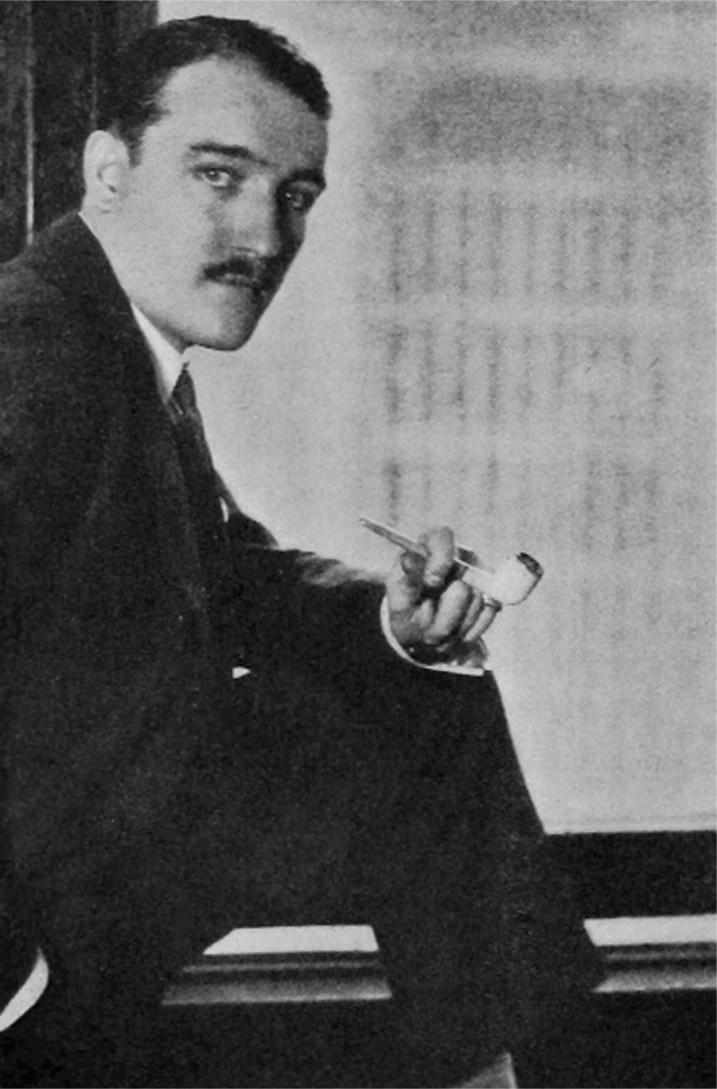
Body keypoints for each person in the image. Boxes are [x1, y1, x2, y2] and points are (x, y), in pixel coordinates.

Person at [0, 15, 600, 1088]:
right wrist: (18, 980)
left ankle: (493, 1062)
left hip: (97, 830)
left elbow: (227, 569)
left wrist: (392, 621)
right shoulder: (34, 354)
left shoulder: (112, 336)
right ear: (109, 171)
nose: (265, 236)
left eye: (296, 196)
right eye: (219, 176)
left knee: (429, 696)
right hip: (42, 909)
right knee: (427, 723)